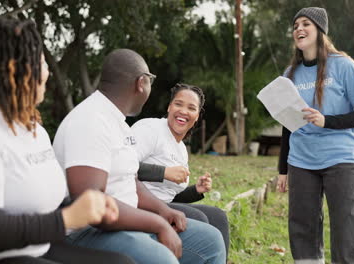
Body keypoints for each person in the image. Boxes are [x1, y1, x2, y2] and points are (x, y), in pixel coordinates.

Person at [0, 18, 135, 264]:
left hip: (32, 250)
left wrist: (88, 205)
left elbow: (37, 201)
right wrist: (66, 218)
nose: (47, 72)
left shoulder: (32, 128)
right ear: (15, 69)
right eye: (42, 62)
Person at [52, 49, 226, 264]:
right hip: (90, 231)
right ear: (141, 83)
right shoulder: (90, 121)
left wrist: (163, 211)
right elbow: (92, 204)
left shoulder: (118, 122)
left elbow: (130, 180)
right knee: (163, 260)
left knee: (211, 240)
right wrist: (157, 223)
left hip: (126, 220)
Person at [276, 7, 354, 264]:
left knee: (346, 229)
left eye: (305, 24)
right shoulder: (289, 75)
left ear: (320, 30)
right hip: (301, 161)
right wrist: (283, 169)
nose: (299, 29)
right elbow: (288, 126)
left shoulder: (343, 65)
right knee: (302, 228)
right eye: (295, 26)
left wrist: (325, 121)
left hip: (340, 158)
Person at [132, 83, 230, 256]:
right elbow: (122, 166)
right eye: (178, 104)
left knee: (218, 216)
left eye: (191, 108)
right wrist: (164, 172)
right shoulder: (151, 129)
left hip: (163, 205)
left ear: (197, 116)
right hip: (137, 204)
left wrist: (196, 190)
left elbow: (170, 196)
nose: (184, 111)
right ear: (170, 107)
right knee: (198, 218)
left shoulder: (181, 150)